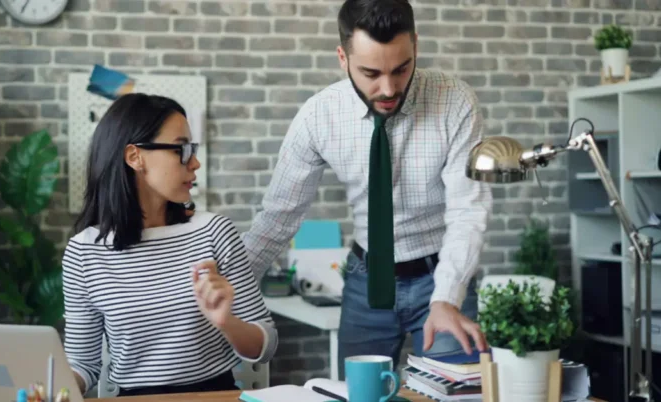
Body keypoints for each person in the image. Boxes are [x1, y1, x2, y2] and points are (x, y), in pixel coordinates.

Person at [241, 0, 492, 377]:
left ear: (415, 47)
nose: (388, 87)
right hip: (366, 280)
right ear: (342, 58)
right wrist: (231, 287)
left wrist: (447, 297)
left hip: (442, 275)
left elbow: (467, 210)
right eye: (371, 72)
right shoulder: (318, 116)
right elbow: (278, 217)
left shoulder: (454, 100)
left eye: (401, 68)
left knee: (458, 392)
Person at [62, 93, 278, 397]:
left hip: (214, 396)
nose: (195, 162)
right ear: (135, 157)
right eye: (182, 149)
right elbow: (83, 363)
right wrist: (52, 390)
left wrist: (226, 322)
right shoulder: (84, 252)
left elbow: (265, 344)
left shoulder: (214, 232)